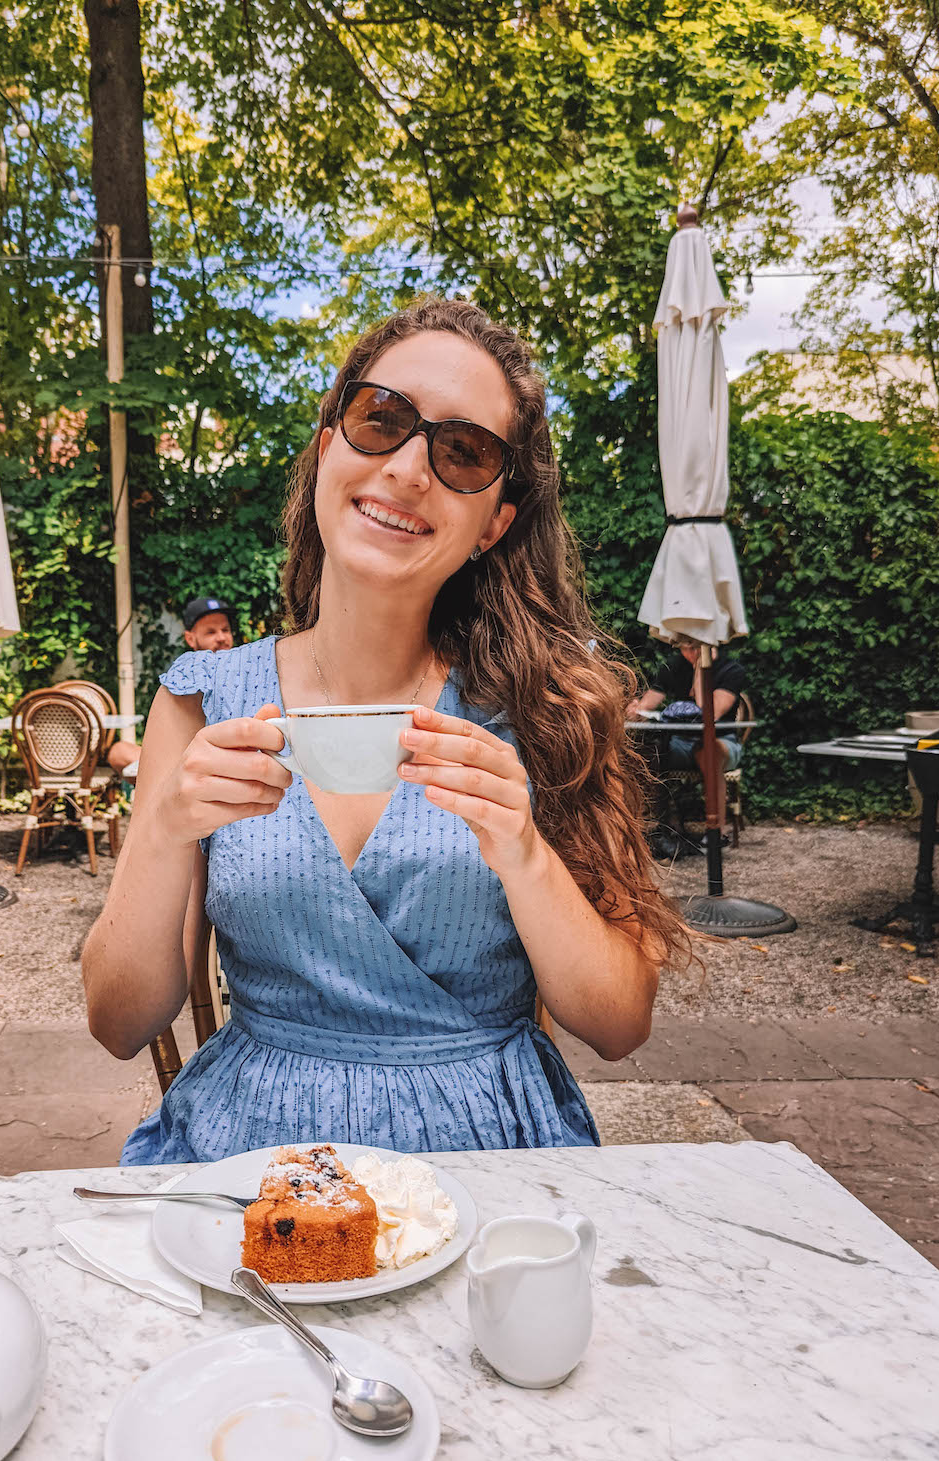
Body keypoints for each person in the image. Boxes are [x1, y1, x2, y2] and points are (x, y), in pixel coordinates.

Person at [83, 296, 691, 1164]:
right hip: (250, 1163)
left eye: (464, 452)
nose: (409, 469)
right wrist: (166, 830)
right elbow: (118, 1022)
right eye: (382, 419)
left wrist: (522, 850)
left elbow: (619, 1024)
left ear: (495, 523)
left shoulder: (549, 709)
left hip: (492, 1158)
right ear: (329, 445)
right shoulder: (200, 701)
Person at [106, 596, 235, 777]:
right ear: (190, 639)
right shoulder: (186, 673)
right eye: (211, 632)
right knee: (119, 752)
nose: (221, 638)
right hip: (185, 758)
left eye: (225, 630)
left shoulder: (243, 671)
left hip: (222, 761)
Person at [626, 642, 747, 772]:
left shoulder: (731, 670)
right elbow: (646, 706)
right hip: (680, 742)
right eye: (686, 649)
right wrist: (635, 711)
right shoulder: (675, 665)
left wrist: (701, 672)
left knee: (709, 753)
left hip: (721, 739)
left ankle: (716, 793)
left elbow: (711, 714)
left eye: (696, 648)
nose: (693, 654)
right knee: (641, 753)